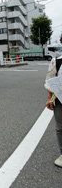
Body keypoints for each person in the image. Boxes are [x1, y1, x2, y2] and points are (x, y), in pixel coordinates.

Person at [44, 37, 62, 168]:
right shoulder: (57, 61)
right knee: (60, 128)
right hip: (60, 99)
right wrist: (49, 99)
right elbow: (49, 81)